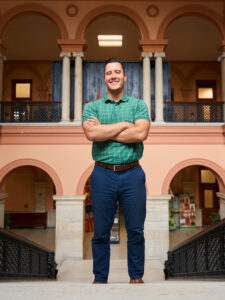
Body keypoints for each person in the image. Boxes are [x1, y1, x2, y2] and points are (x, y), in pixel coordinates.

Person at [82, 58, 150, 284]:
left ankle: (136, 277)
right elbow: (91, 135)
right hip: (102, 174)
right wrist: (125, 125)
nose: (113, 76)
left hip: (133, 173)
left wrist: (104, 129)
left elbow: (140, 135)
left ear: (125, 77)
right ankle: (100, 279)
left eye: (117, 72)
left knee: (136, 230)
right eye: (109, 72)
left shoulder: (139, 105)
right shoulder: (91, 107)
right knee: (101, 231)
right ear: (104, 78)